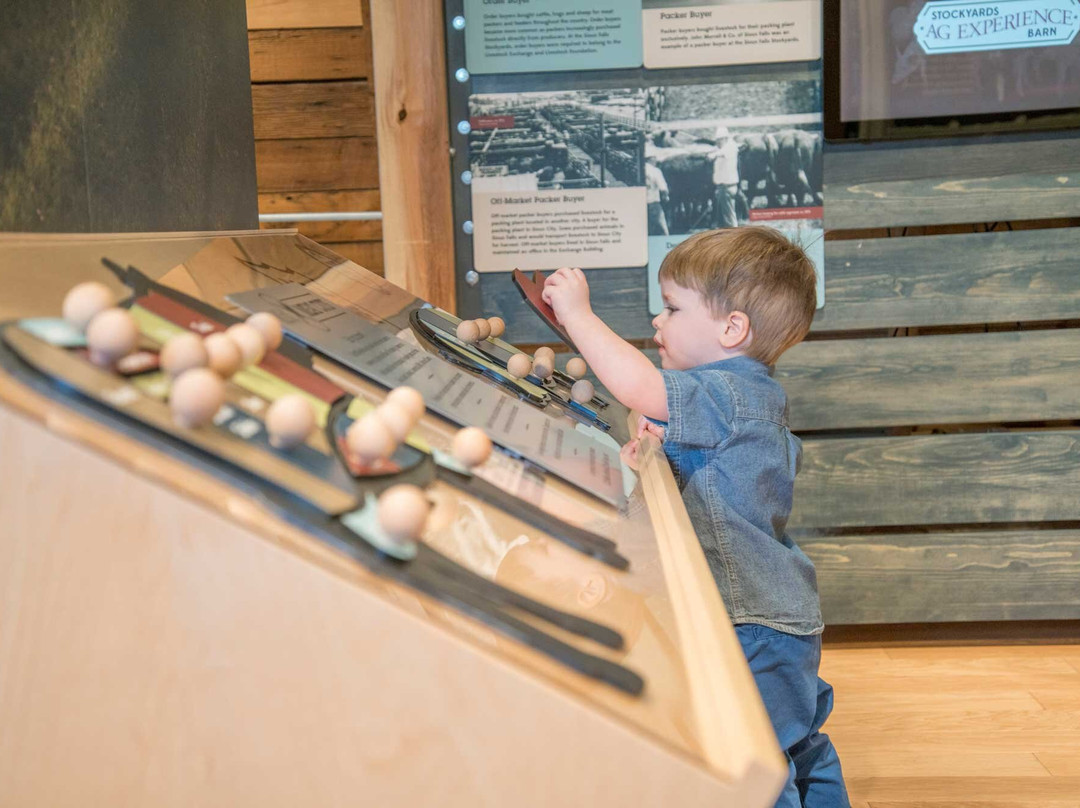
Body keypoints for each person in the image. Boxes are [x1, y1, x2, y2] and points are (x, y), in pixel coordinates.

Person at [541, 227, 848, 808]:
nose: (657, 321)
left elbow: (637, 386)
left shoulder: (732, 395)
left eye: (673, 308)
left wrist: (578, 316)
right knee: (798, 747)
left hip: (750, 621)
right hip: (779, 617)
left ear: (732, 329)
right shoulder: (742, 400)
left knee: (750, 766)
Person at [711, 125, 740, 228]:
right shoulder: (725, 147)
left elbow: (721, 153)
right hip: (722, 187)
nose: (718, 142)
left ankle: (734, 234)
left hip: (727, 187)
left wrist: (712, 155)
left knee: (729, 218)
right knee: (724, 217)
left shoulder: (730, 147)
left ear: (725, 138)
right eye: (717, 140)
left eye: (719, 140)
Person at [645, 158, 670, 236]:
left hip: (639, 204)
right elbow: (663, 188)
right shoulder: (655, 171)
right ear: (651, 159)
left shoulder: (637, 169)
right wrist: (666, 197)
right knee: (662, 229)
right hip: (653, 202)